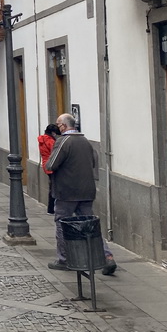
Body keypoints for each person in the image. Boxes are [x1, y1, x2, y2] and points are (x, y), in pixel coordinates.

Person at [46, 113, 116, 275]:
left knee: (61, 222)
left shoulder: (63, 142)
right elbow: (92, 162)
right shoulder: (86, 141)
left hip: (67, 191)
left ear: (63, 126)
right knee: (90, 224)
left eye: (58, 124)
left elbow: (51, 164)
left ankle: (64, 259)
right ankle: (107, 257)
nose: (57, 127)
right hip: (87, 190)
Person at [38, 123, 60, 214]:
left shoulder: (42, 139)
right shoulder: (50, 141)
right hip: (52, 166)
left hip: (46, 164)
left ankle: (51, 209)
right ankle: (51, 208)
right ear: (53, 133)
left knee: (52, 186)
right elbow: (56, 153)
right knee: (54, 187)